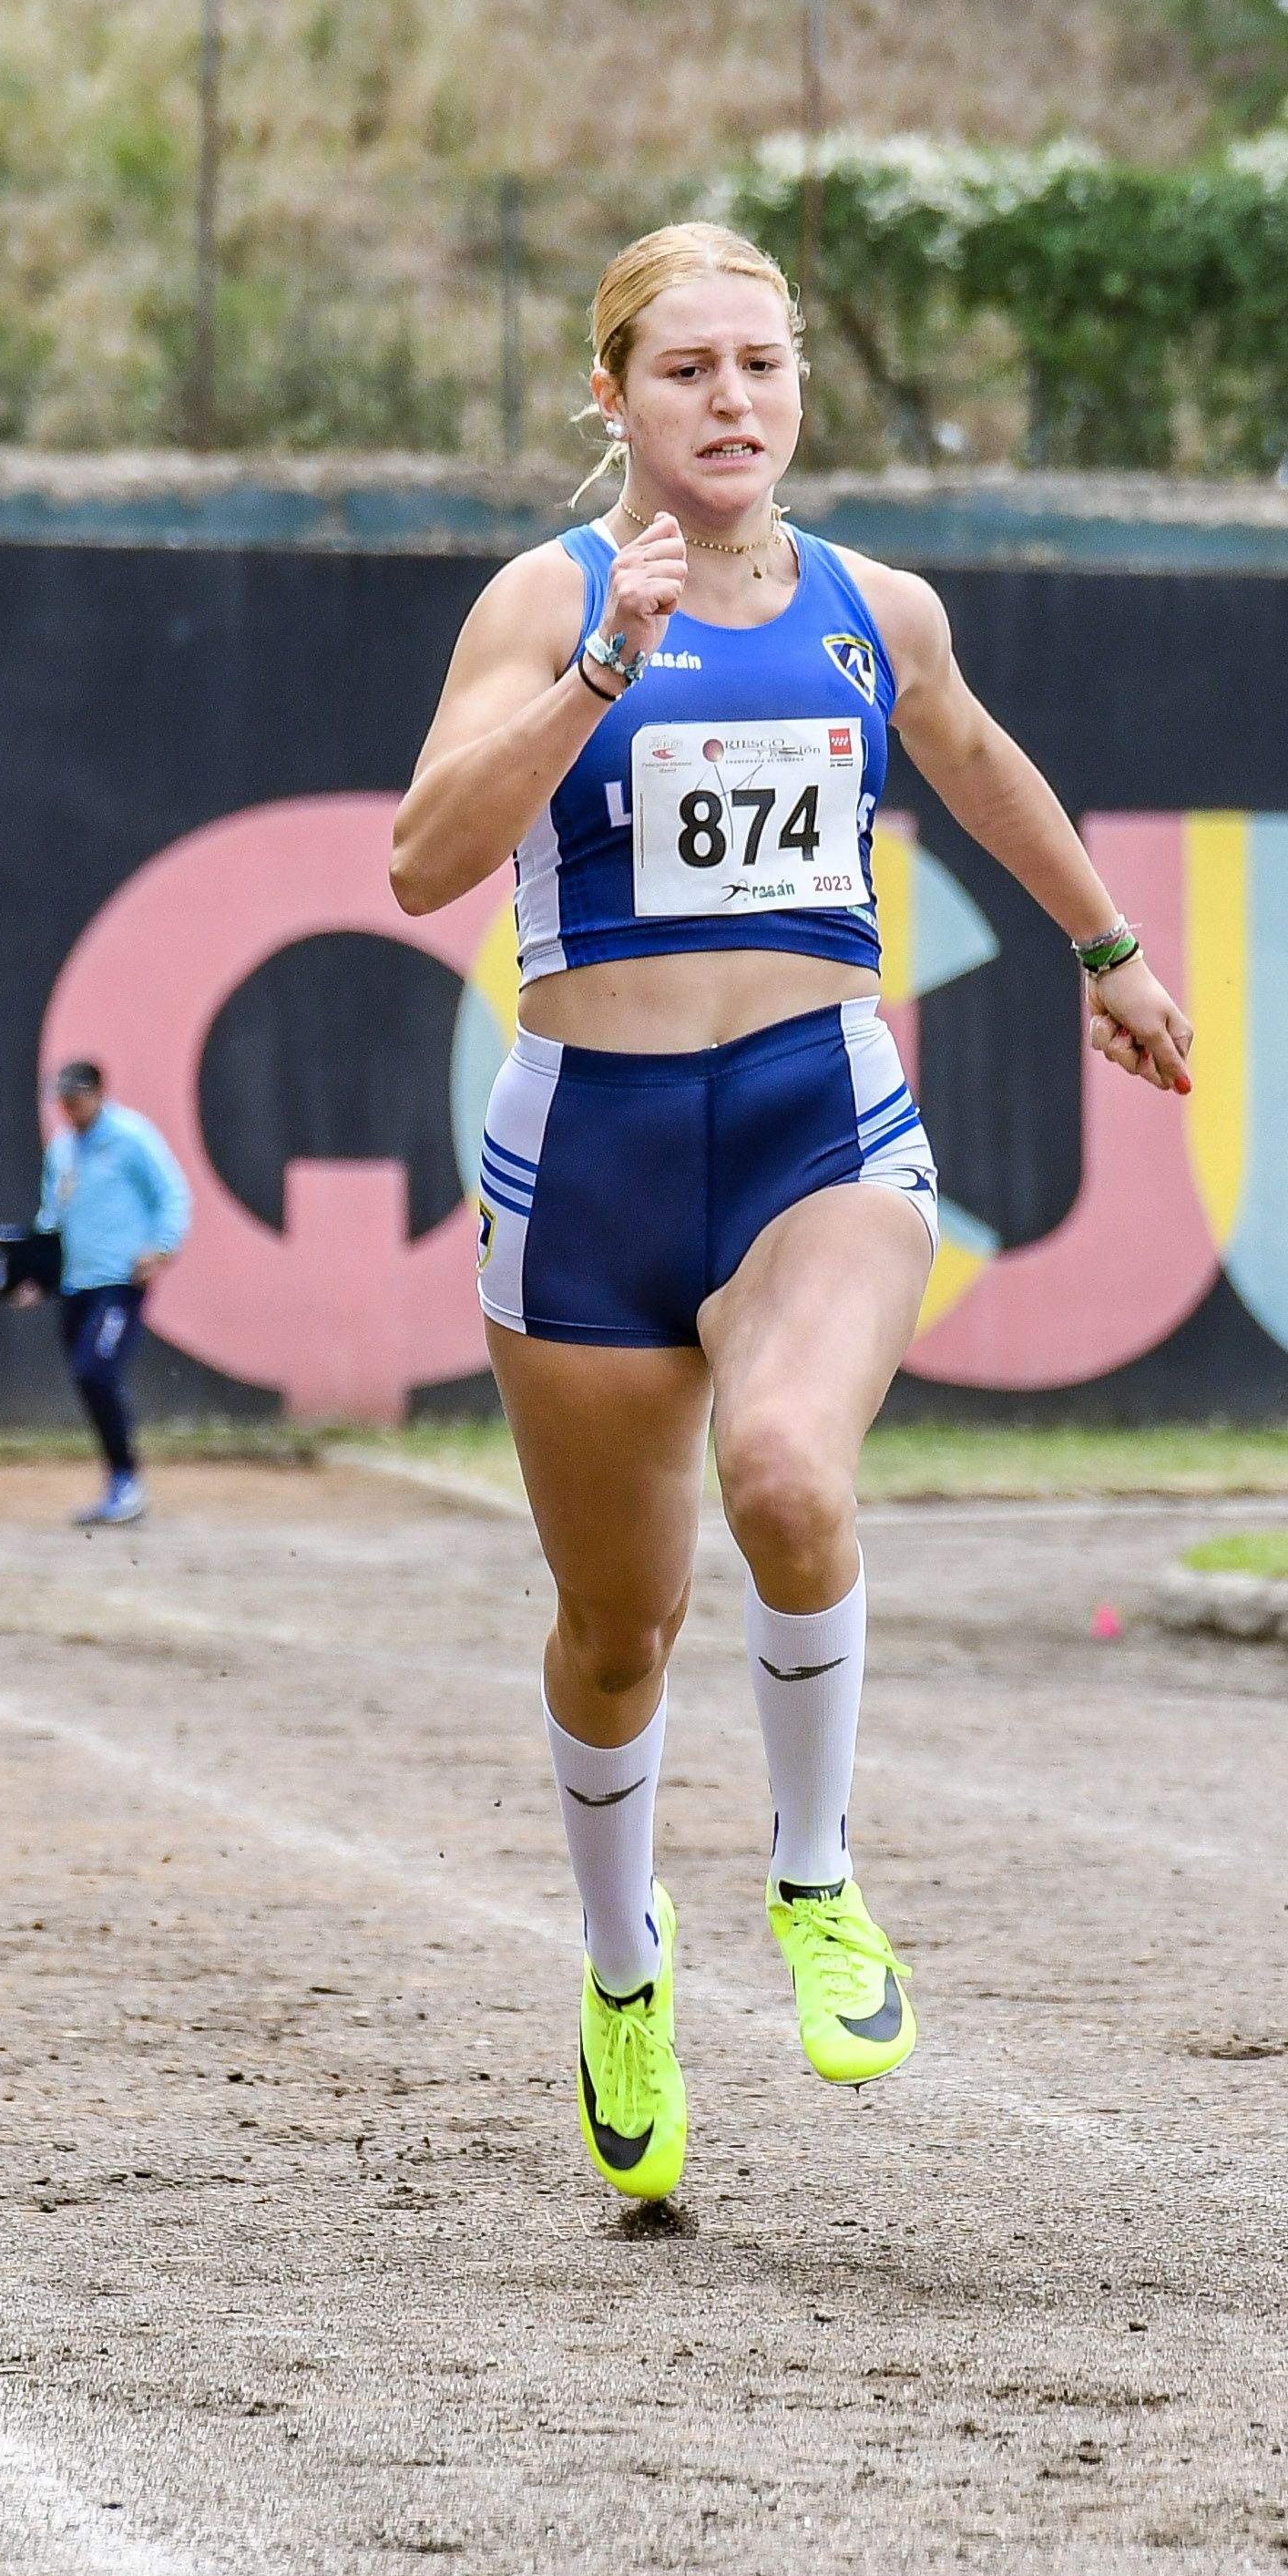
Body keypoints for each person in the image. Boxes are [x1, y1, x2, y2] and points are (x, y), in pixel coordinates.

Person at [390, 221, 1196, 2208]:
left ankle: (819, 1879)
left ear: (799, 389)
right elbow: (426, 860)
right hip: (581, 1154)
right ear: (615, 399)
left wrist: (1105, 945)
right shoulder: (548, 595)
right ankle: (621, 1967)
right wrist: (600, 674)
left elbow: (977, 755)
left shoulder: (871, 606)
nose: (731, 400)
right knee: (617, 1624)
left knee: (786, 1470)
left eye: (762, 364)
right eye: (687, 370)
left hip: (810, 1118)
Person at [30, 1060, 186, 1530]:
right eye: (63, 1099)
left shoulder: (131, 1137)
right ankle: (118, 1480)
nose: (69, 1108)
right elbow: (51, 1218)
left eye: (76, 1098)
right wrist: (34, 1274)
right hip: (77, 1283)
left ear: (99, 1093)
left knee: (96, 1369)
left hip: (119, 1282)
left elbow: (172, 1193)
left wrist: (161, 1247)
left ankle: (126, 1482)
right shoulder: (62, 1151)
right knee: (87, 1377)